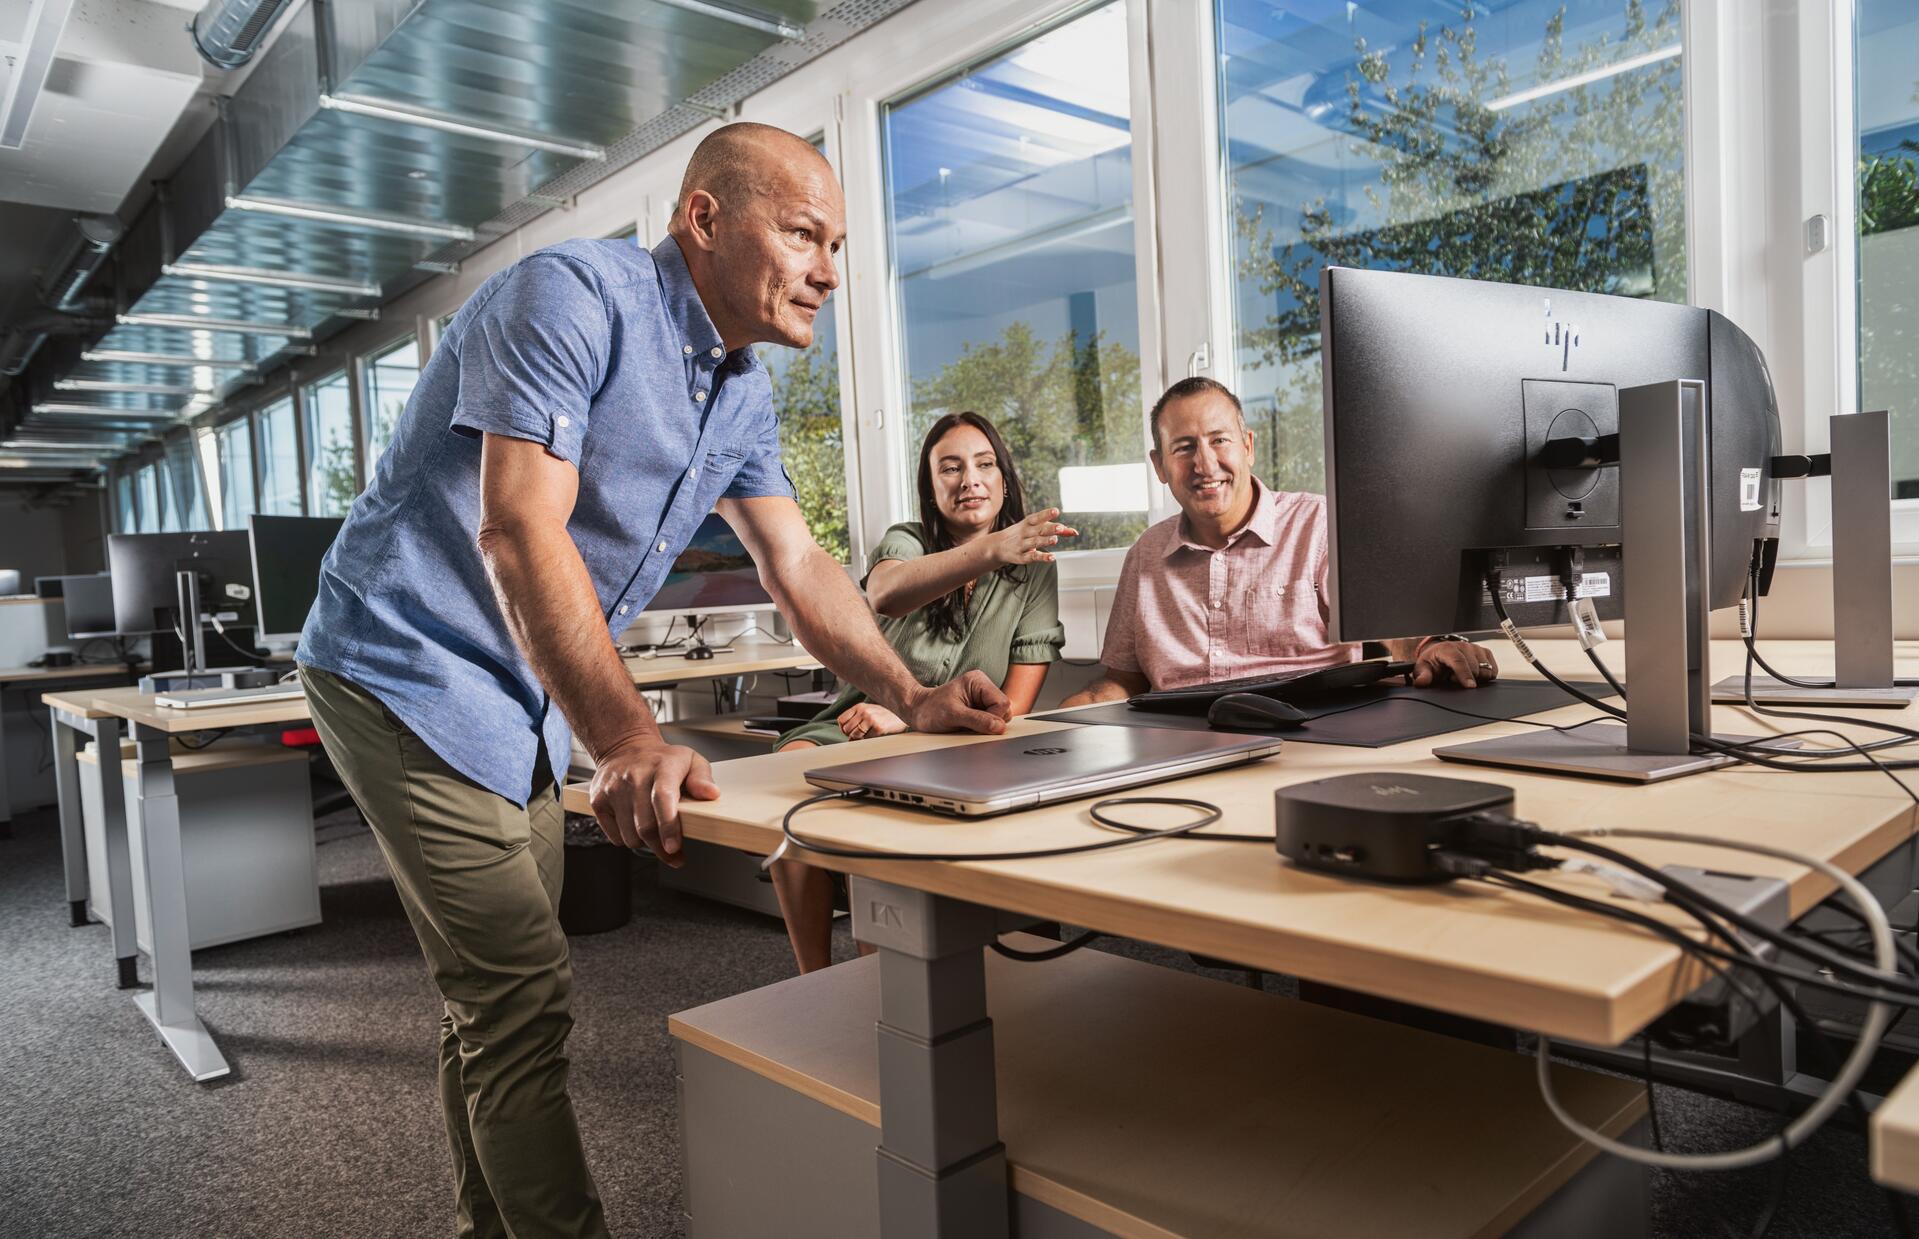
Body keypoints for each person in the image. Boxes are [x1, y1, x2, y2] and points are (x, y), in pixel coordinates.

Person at [295, 123, 1010, 1239]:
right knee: (517, 994)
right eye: (803, 234)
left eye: (836, 245)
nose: (829, 270)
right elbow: (519, 527)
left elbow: (796, 562)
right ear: (704, 219)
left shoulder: (739, 391)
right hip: (405, 664)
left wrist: (912, 696)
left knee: (491, 998)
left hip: (523, 692)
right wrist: (628, 738)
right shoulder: (570, 298)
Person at [768, 411, 1071, 972]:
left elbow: (1012, 707)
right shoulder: (906, 541)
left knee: (874, 825)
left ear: (1004, 479)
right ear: (931, 489)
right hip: (852, 724)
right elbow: (885, 593)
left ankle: (880, 981)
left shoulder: (1034, 571)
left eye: (984, 465)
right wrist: (993, 547)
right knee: (792, 783)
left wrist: (906, 721)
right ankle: (812, 977)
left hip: (958, 740)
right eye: (950, 468)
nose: (969, 480)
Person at [1062, 377, 1498, 706]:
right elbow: (1123, 682)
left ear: (1248, 447)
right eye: (1184, 448)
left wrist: (1431, 646)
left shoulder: (1320, 525)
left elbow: (1393, 630)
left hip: (1314, 729)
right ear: (1159, 466)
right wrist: (1060, 725)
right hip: (1180, 741)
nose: (1205, 464)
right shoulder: (1146, 553)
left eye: (1219, 440)